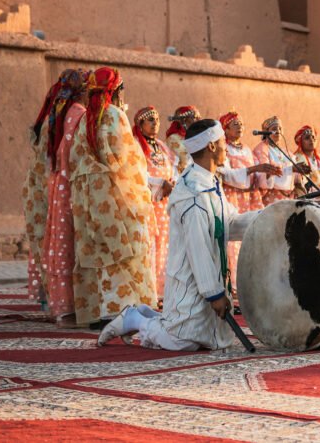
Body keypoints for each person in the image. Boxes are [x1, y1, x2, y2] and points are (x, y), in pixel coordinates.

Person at [98, 119, 259, 350]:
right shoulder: (193, 191)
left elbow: (228, 223)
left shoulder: (210, 182)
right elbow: (198, 246)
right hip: (192, 281)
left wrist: (268, 218)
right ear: (212, 146)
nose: (226, 147)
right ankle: (134, 319)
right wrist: (213, 294)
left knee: (211, 340)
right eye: (223, 141)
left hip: (206, 280)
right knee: (181, 340)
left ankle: (147, 316)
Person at [69, 67, 156, 327]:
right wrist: (140, 193)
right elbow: (127, 159)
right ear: (115, 91)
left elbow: (76, 159)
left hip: (87, 196)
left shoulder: (84, 120)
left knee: (96, 248)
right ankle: (126, 310)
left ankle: (100, 310)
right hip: (113, 191)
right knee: (125, 245)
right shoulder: (115, 115)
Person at [22, 68, 88, 322]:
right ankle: (65, 307)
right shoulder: (74, 115)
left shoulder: (54, 116)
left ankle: (54, 303)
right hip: (61, 185)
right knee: (64, 243)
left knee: (51, 241)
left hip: (45, 185)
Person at [217, 111, 279, 292]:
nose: (239, 127)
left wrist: (267, 173)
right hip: (232, 198)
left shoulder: (246, 149)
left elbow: (259, 179)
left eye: (241, 124)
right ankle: (234, 285)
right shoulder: (224, 150)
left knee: (250, 239)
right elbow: (227, 175)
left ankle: (250, 282)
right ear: (225, 129)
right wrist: (254, 169)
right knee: (233, 242)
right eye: (234, 124)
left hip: (249, 198)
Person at [132, 106, 177, 294]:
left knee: (164, 245)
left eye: (157, 120)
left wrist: (171, 183)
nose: (155, 123)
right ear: (140, 124)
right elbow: (137, 173)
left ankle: (161, 290)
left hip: (164, 204)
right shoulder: (136, 145)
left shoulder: (162, 145)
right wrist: (160, 184)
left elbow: (173, 167)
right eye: (150, 120)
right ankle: (149, 291)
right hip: (147, 202)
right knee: (149, 244)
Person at [252, 116, 303, 205]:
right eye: (274, 128)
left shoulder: (286, 152)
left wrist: (299, 174)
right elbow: (265, 176)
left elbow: (295, 176)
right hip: (272, 199)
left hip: (289, 198)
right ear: (266, 132)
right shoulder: (261, 149)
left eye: (280, 128)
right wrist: (291, 169)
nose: (278, 131)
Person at [292, 125, 320, 195]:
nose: (311, 140)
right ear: (300, 142)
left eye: (313, 137)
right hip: (309, 199)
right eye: (307, 138)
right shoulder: (296, 159)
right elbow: (299, 186)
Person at [165, 106, 200, 173]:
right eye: (195, 117)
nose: (198, 120)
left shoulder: (193, 137)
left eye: (199, 117)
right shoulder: (173, 139)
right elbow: (185, 160)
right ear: (184, 120)